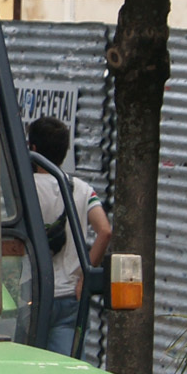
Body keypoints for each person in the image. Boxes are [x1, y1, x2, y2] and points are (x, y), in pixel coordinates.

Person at [26, 115, 113, 359]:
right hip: (70, 297)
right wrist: (85, 275)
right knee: (64, 369)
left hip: (32, 297)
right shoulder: (81, 188)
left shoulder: (23, 187)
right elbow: (105, 231)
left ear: (33, 149)